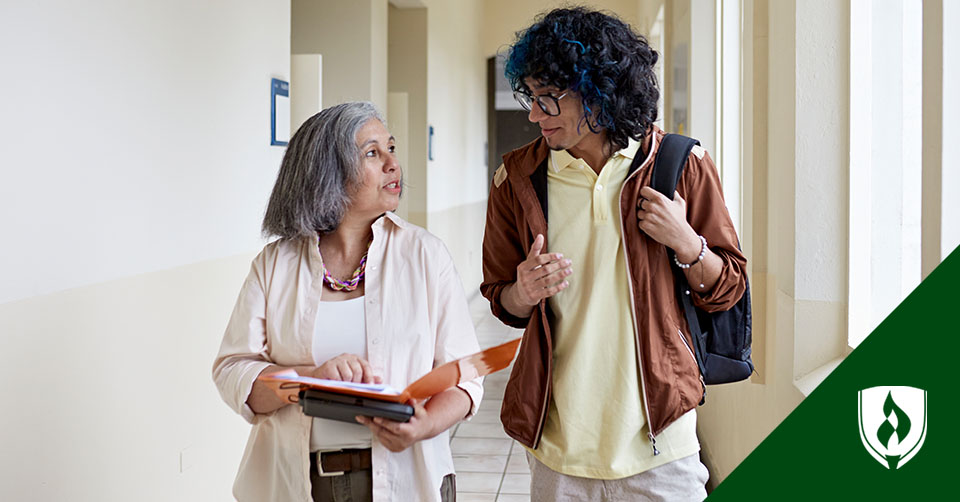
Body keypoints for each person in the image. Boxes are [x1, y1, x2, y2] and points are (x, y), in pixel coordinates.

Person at [480, 7, 748, 502]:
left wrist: (686, 242)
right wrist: (523, 291)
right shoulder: (516, 180)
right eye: (531, 98)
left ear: (600, 92)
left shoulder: (682, 164)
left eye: (549, 100)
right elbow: (502, 300)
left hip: (661, 443)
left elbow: (730, 287)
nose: (534, 115)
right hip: (558, 447)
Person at [213, 102, 482, 502]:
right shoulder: (275, 265)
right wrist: (310, 380)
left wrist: (422, 426)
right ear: (328, 173)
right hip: (299, 482)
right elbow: (234, 372)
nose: (393, 164)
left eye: (391, 148)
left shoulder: (426, 255)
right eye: (373, 153)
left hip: (410, 480)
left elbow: (466, 375)